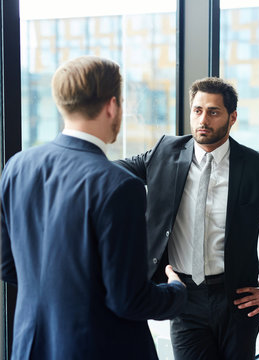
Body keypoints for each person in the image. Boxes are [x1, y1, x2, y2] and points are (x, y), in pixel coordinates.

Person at [0, 56, 187, 360]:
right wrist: (176, 292)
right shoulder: (120, 186)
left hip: (31, 347)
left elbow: (8, 266)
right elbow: (128, 300)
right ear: (112, 106)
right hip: (99, 349)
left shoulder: (17, 167)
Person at [116, 76, 259, 360]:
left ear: (232, 118)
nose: (202, 119)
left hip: (238, 298)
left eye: (213, 111)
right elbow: (111, 171)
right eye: (197, 110)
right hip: (183, 297)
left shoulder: (258, 166)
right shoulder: (164, 153)